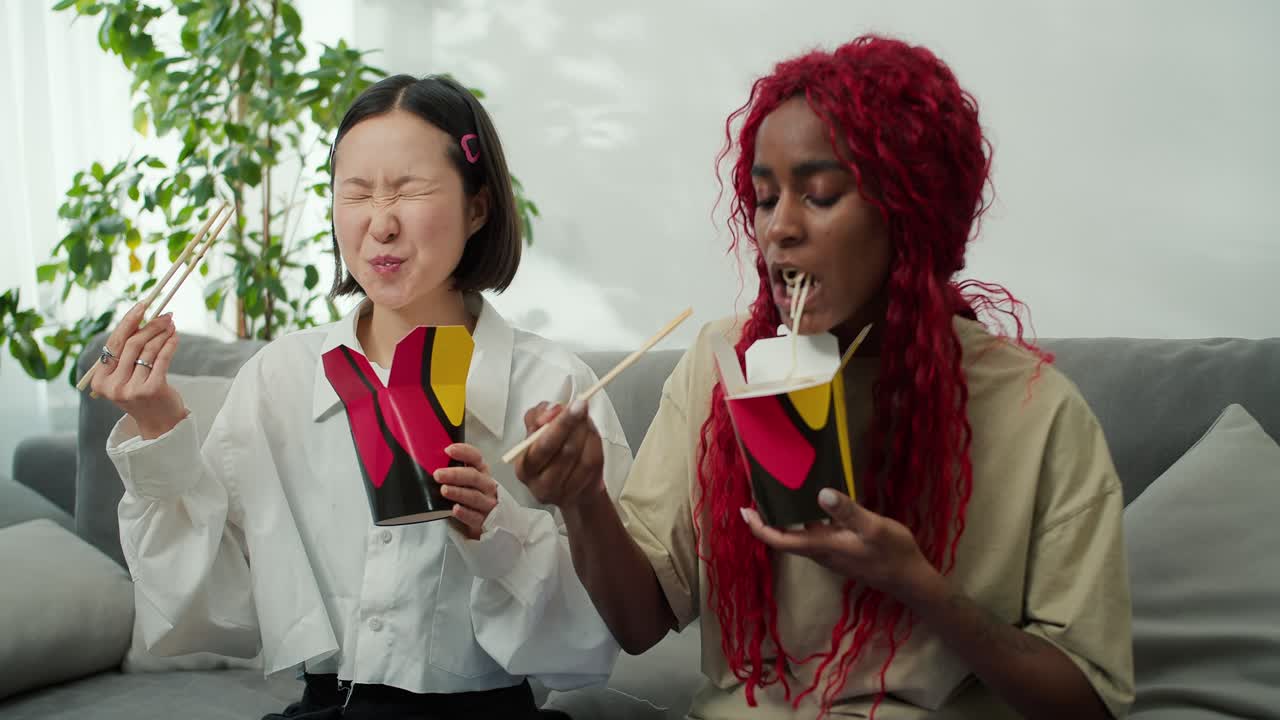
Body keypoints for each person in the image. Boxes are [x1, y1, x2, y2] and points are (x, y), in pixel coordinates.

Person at [514, 36, 1134, 719]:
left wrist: (915, 585)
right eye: (763, 197)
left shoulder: (1035, 410)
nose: (778, 229)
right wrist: (583, 500)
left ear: (910, 214)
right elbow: (639, 624)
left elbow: (1088, 707)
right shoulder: (721, 366)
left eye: (819, 195)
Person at [92, 74, 632, 720]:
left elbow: (604, 630)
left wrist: (502, 532)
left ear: (478, 207)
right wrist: (160, 433)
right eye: (356, 193)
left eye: (411, 189)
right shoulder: (281, 379)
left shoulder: (555, 390)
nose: (380, 223)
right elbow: (210, 606)